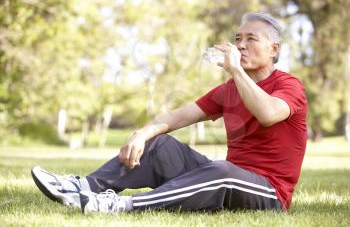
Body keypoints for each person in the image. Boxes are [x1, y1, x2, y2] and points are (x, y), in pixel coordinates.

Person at [31, 12, 307, 214]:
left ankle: (123, 205)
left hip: (269, 192)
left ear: (274, 49)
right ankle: (85, 187)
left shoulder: (288, 85)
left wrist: (235, 69)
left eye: (251, 39)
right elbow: (175, 117)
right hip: (229, 176)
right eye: (238, 39)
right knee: (159, 143)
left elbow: (269, 114)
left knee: (223, 171)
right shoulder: (229, 89)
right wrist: (142, 134)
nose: (241, 45)